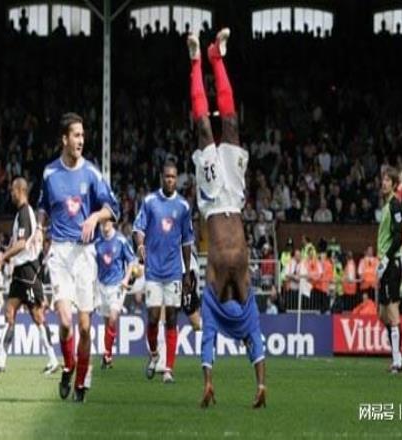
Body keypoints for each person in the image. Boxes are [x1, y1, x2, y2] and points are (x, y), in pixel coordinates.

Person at [187, 28, 266, 408]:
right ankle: (216, 57)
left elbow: (208, 337)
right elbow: (255, 338)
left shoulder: (214, 287)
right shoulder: (246, 292)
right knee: (230, 124)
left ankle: (197, 60)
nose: (235, 306)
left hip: (214, 201)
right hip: (232, 197)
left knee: (205, 128)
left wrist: (208, 381)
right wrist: (261, 384)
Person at [38, 113, 120, 402]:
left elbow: (114, 208)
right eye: (76, 135)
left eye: (83, 135)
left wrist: (95, 217)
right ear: (64, 139)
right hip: (60, 252)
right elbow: (43, 206)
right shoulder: (50, 173)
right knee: (64, 321)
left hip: (85, 254)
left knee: (84, 327)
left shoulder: (92, 174)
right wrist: (39, 228)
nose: (81, 140)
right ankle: (68, 365)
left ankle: (81, 380)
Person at [0, 178, 59, 375]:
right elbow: (16, 242)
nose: (11, 194)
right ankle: (0, 362)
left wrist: (3, 257)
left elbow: (22, 244)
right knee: (10, 312)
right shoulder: (20, 214)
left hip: (28, 272)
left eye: (12, 191)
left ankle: (53, 360)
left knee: (37, 315)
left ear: (19, 190)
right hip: (19, 272)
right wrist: (7, 255)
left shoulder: (25, 212)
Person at [133, 162, 194, 384]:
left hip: (174, 272)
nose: (170, 180)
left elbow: (187, 241)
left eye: (173, 177)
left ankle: (168, 369)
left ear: (176, 179)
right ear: (161, 177)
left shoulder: (183, 206)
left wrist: (187, 272)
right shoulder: (150, 202)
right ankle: (154, 354)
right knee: (152, 318)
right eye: (167, 176)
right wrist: (141, 245)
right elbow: (138, 229)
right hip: (153, 270)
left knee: (171, 318)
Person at [95, 219, 137, 369]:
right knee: (107, 322)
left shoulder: (121, 240)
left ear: (112, 223)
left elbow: (131, 261)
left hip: (117, 286)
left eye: (107, 222)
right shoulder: (97, 241)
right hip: (101, 285)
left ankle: (106, 354)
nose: (104, 225)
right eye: (102, 222)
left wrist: (126, 279)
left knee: (113, 318)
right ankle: (108, 356)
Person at [377, 166, 402, 373]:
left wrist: (386, 259)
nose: (384, 183)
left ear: (394, 184)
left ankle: (397, 360)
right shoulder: (387, 205)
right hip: (385, 264)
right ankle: (398, 357)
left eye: (388, 180)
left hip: (392, 263)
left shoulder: (395, 205)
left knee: (392, 311)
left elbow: (398, 237)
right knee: (382, 313)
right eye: (383, 179)